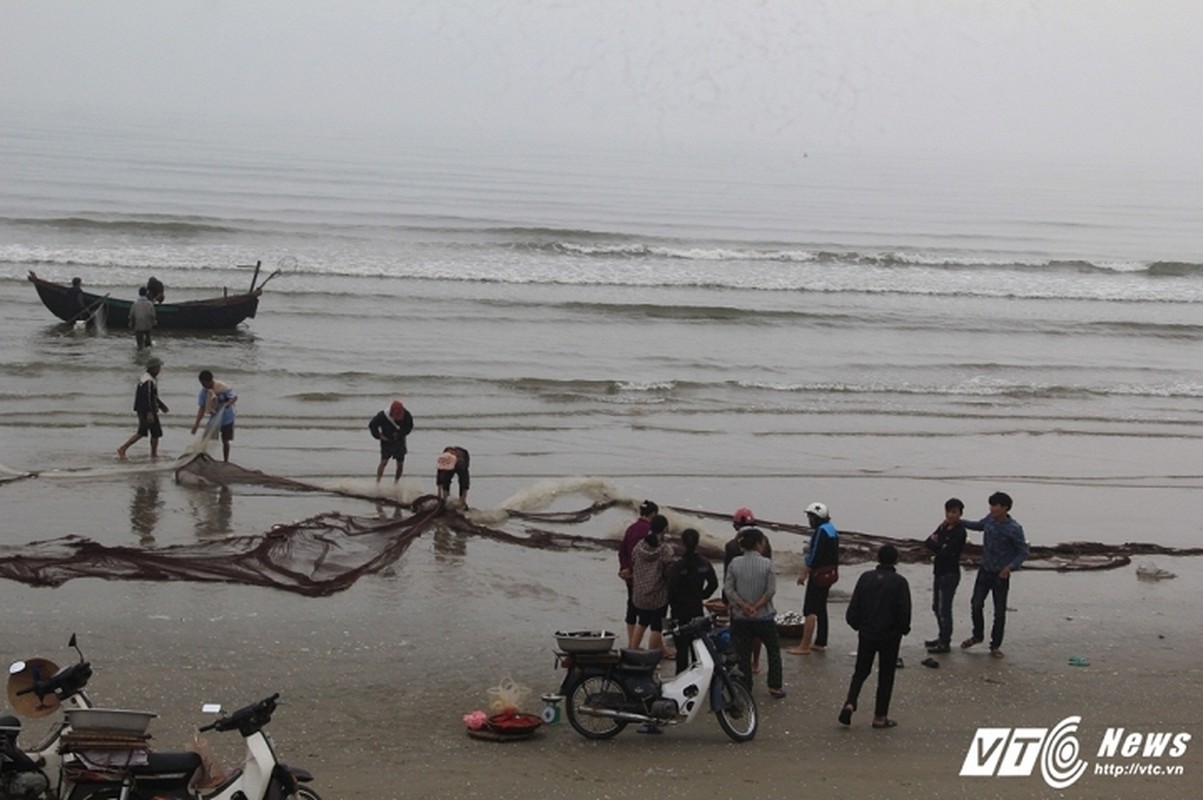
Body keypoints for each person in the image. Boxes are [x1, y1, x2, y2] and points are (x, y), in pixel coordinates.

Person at [839, 544, 912, 729]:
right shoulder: (899, 582)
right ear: (896, 560)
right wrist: (903, 630)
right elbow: (904, 611)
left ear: (878, 558)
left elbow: (854, 608)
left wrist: (858, 625)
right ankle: (879, 717)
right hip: (890, 636)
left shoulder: (865, 578)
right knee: (886, 675)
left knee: (861, 671)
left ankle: (850, 702)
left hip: (867, 633)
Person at [961, 491, 1029, 659]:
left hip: (1000, 575)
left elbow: (1022, 551)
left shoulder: (1014, 528)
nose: (992, 508)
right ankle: (977, 635)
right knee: (976, 604)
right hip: (985, 570)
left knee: (999, 612)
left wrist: (1010, 567)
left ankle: (995, 645)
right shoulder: (989, 520)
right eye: (990, 505)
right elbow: (978, 525)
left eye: (995, 506)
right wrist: (959, 521)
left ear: (1004, 507)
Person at [723, 527, 786, 699]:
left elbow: (728, 589)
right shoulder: (768, 564)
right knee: (773, 650)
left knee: (742, 654)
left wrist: (743, 606)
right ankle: (775, 686)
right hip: (764, 617)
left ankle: (745, 687)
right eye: (763, 542)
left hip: (740, 617)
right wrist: (755, 607)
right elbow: (770, 591)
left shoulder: (734, 563)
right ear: (758, 544)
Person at [723, 507, 772, 673]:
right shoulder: (765, 543)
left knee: (739, 634)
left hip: (739, 600)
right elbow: (769, 576)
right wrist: (759, 604)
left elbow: (727, 579)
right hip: (760, 599)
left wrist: (730, 600)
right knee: (758, 634)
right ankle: (755, 663)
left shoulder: (731, 545)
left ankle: (740, 664)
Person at [790, 501, 840, 655]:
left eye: (810, 517)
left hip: (819, 574)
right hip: (830, 573)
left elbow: (815, 555)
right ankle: (820, 642)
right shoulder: (833, 530)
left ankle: (804, 646)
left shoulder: (821, 532)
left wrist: (804, 573)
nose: (809, 520)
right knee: (821, 608)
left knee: (810, 609)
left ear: (816, 518)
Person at [666, 527, 718, 673]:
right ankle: (698, 677)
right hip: (697, 609)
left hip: (680, 611)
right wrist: (702, 595)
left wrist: (674, 605)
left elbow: (671, 590)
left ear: (682, 543)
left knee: (681, 651)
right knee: (698, 648)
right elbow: (713, 583)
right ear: (697, 543)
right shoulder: (704, 563)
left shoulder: (678, 566)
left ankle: (681, 679)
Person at [924, 497, 967, 654]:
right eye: (948, 511)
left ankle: (945, 642)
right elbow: (928, 542)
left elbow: (947, 552)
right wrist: (938, 545)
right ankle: (942, 636)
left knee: (944, 609)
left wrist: (938, 545)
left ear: (960, 513)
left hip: (950, 573)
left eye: (954, 512)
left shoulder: (960, 531)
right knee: (936, 607)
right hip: (938, 571)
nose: (950, 515)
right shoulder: (943, 527)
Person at [630, 514, 676, 658]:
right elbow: (669, 570)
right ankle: (651, 657)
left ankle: (632, 651)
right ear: (664, 529)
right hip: (658, 595)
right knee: (657, 626)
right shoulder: (665, 550)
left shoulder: (639, 546)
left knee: (642, 621)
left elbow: (633, 560)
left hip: (640, 593)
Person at [618, 500, 658, 645]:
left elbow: (622, 551)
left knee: (631, 608)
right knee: (650, 613)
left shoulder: (631, 528)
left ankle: (631, 642)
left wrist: (624, 568)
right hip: (645, 578)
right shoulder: (650, 531)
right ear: (653, 514)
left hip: (629, 577)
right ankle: (640, 646)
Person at [116, 357, 169, 459]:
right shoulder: (148, 381)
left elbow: (153, 395)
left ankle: (152, 453)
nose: (159, 370)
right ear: (152, 368)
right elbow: (147, 396)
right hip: (146, 409)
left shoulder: (147, 378)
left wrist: (161, 405)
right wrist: (150, 412)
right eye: (158, 367)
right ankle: (123, 449)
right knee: (151, 432)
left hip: (142, 408)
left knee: (149, 432)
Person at [190, 370, 238, 462]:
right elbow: (202, 408)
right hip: (214, 418)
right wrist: (196, 424)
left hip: (227, 418)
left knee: (225, 441)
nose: (203, 386)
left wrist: (229, 403)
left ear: (210, 380)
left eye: (205, 383)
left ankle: (226, 460)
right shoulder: (204, 392)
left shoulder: (222, 387)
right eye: (202, 384)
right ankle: (203, 459)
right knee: (205, 438)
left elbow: (234, 397)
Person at [369, 400, 414, 482]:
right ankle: (377, 482)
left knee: (400, 464)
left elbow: (409, 427)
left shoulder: (407, 415)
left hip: (400, 440)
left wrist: (400, 433)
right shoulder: (382, 416)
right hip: (387, 440)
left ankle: (396, 482)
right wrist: (379, 436)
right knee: (384, 461)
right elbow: (372, 425)